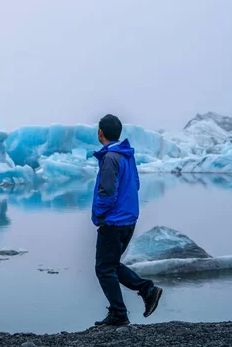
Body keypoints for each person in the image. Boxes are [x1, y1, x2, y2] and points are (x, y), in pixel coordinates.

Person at [92, 114, 163, 326]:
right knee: (110, 264)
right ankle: (145, 291)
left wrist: (100, 214)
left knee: (104, 268)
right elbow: (136, 185)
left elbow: (107, 192)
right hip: (128, 220)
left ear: (100, 132)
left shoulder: (110, 157)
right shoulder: (126, 156)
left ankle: (121, 311)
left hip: (114, 221)